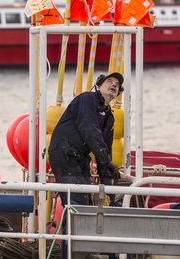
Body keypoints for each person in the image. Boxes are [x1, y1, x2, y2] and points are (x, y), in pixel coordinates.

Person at [49, 72, 123, 256]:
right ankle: (71, 252)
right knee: (75, 203)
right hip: (64, 153)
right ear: (99, 85)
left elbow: (105, 148)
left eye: (117, 84)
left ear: (118, 93)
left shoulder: (108, 117)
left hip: (80, 158)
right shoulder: (87, 99)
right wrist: (109, 163)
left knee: (82, 203)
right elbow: (90, 131)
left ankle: (78, 251)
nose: (113, 85)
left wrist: (109, 191)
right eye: (109, 81)